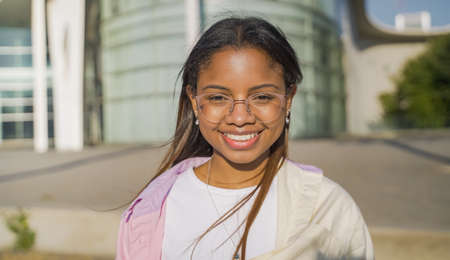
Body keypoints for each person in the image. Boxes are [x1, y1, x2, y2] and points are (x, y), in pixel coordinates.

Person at [115, 17, 374, 260]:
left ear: (288, 99)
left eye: (262, 97)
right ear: (195, 102)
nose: (240, 117)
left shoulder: (327, 209)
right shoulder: (149, 212)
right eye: (218, 97)